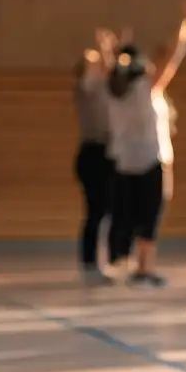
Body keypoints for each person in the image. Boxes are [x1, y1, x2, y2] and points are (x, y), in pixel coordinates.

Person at [105, 2, 186, 287]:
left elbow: (113, 68)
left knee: (127, 213)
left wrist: (117, 48)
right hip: (150, 159)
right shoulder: (148, 88)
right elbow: (174, 56)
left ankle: (125, 261)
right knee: (149, 214)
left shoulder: (112, 92)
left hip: (123, 160)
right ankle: (144, 267)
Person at [72, 29, 118, 285]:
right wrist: (103, 49)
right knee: (96, 211)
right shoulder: (86, 88)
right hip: (93, 153)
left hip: (109, 152)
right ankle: (91, 263)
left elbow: (111, 74)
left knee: (109, 210)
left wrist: (109, 52)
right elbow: (97, 74)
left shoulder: (105, 88)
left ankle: (107, 259)